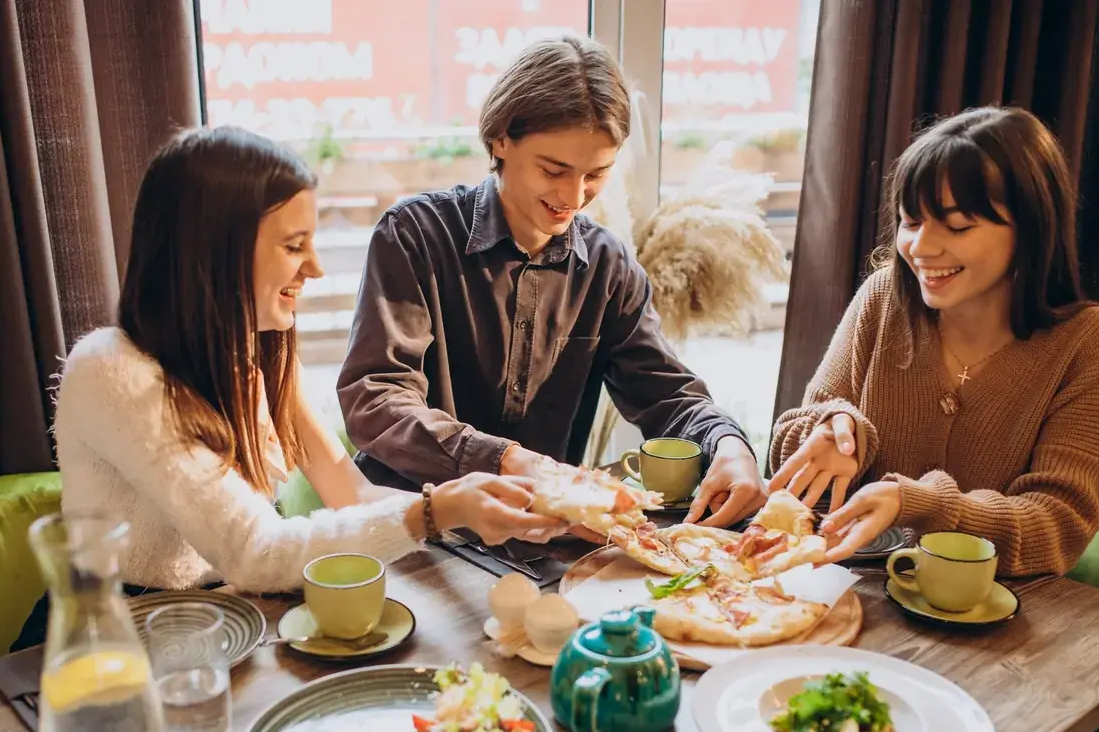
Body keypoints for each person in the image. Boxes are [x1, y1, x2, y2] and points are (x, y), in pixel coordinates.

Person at [49, 126, 568, 595]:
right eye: (295, 246)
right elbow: (256, 552)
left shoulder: (258, 357)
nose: (315, 268)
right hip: (117, 629)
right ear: (212, 252)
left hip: (229, 611)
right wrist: (436, 511)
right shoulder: (112, 372)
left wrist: (472, 505)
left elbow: (350, 493)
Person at [337, 35, 765, 531]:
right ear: (500, 138)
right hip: (412, 527)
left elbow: (668, 396)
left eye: (596, 174)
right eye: (554, 170)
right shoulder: (414, 235)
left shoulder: (608, 266)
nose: (574, 195)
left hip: (535, 536)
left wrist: (728, 444)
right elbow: (376, 399)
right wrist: (507, 460)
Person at [769, 106, 1099, 574]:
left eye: (957, 226)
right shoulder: (883, 298)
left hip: (993, 618)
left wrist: (925, 504)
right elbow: (790, 450)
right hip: (855, 591)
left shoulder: (1088, 341)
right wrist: (834, 430)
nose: (921, 247)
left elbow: (1060, 523)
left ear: (1031, 228)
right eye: (910, 221)